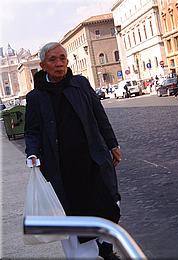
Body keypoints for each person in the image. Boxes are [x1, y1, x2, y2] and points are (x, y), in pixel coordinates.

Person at [25, 42, 122, 259]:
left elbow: (99, 116)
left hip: (93, 162)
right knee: (75, 216)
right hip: (62, 170)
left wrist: (112, 144)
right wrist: (32, 154)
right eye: (53, 60)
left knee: (107, 206)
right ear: (42, 65)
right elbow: (32, 132)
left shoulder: (81, 84)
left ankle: (106, 250)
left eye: (63, 58)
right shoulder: (35, 97)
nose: (59, 63)